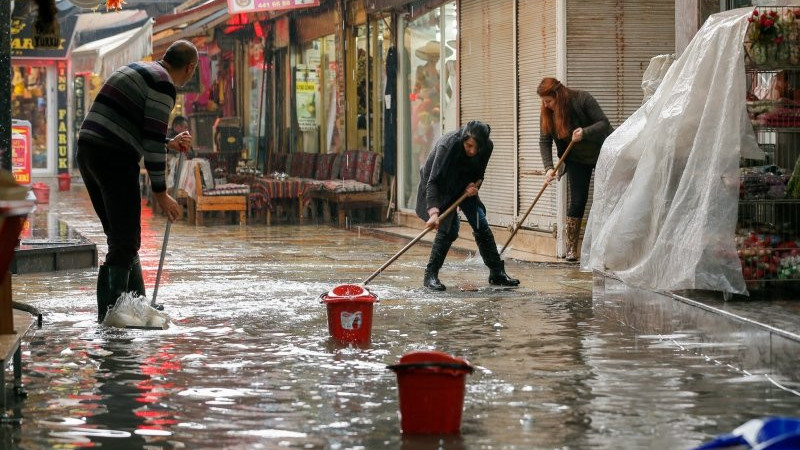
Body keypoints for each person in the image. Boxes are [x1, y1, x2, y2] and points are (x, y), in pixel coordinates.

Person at [77, 40, 197, 322]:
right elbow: (151, 144)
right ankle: (113, 316)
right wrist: (161, 193)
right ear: (190, 68)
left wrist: (169, 142)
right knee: (124, 241)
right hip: (112, 157)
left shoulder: (140, 69)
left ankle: (136, 307)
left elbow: (145, 133)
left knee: (123, 239)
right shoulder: (163, 84)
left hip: (89, 151)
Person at [416, 120, 519, 291]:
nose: (472, 151)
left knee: (480, 222)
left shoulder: (487, 147)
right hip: (440, 187)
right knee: (450, 229)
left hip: (464, 187)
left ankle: (497, 273)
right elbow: (433, 181)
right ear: (463, 139)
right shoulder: (447, 145)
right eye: (469, 145)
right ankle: (431, 275)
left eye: (476, 148)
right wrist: (434, 213)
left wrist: (475, 186)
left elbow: (480, 174)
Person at [537, 77, 612, 261]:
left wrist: (584, 132)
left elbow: (603, 123)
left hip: (602, 152)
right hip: (576, 159)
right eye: (544, 102)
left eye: (549, 101)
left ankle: (608, 246)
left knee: (608, 198)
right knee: (578, 200)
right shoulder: (547, 114)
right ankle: (572, 248)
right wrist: (548, 168)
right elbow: (544, 141)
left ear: (558, 95)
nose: (546, 106)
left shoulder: (582, 99)